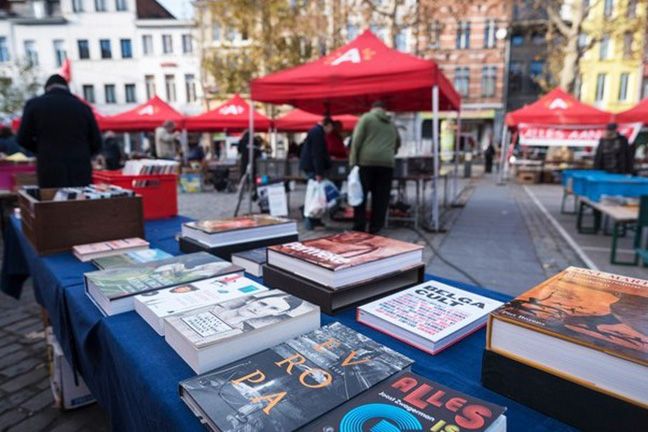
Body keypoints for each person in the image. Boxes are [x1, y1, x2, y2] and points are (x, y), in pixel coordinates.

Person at [17, 74, 102, 188]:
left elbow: (22, 138)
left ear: (47, 88)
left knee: (53, 203)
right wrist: (82, 153)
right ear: (67, 88)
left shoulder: (34, 105)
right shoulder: (83, 107)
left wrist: (42, 149)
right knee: (80, 204)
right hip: (80, 169)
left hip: (49, 168)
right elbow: (97, 142)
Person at [349, 101, 400, 234]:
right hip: (387, 164)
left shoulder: (366, 118)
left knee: (360, 195)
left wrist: (353, 162)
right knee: (381, 198)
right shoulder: (391, 123)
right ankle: (375, 228)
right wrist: (389, 153)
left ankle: (359, 226)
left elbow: (356, 140)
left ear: (373, 108)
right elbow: (398, 142)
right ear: (384, 109)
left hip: (366, 162)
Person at [300, 117, 334, 230]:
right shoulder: (317, 132)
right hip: (313, 168)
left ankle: (314, 220)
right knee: (314, 196)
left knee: (315, 194)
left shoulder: (315, 131)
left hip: (311, 167)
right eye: (331, 128)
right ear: (328, 125)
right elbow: (317, 153)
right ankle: (309, 222)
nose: (330, 131)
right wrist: (318, 172)